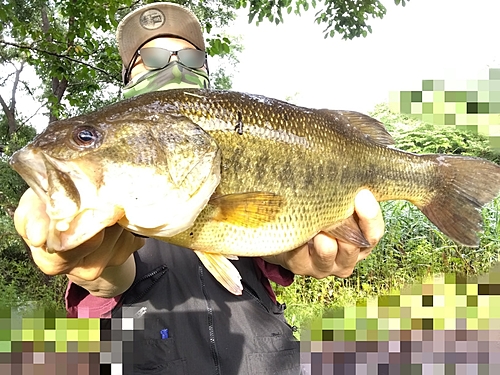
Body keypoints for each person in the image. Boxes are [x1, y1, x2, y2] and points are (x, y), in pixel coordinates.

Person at [13, 3, 385, 374]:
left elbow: (271, 245)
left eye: (191, 57)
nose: (175, 65)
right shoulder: (118, 183)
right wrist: (92, 264)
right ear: (128, 77)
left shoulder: (226, 138)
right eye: (153, 57)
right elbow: (111, 282)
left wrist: (293, 252)